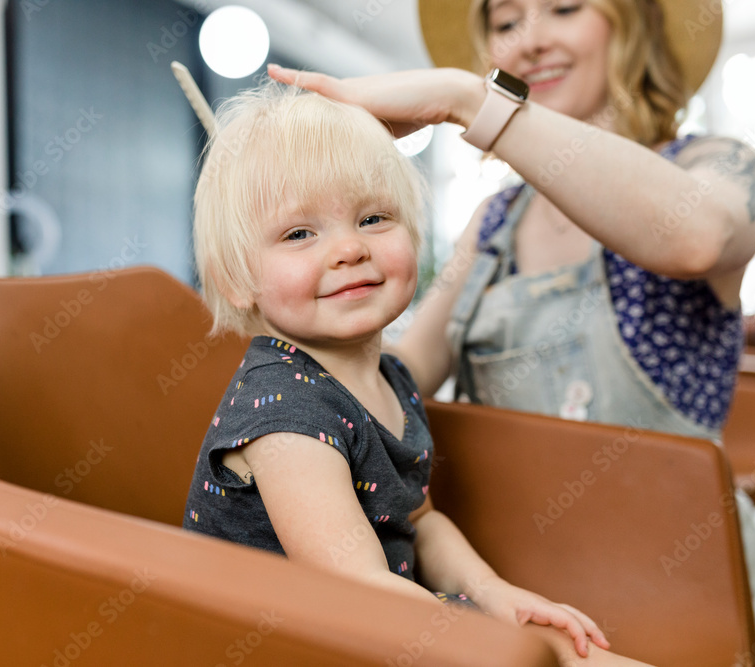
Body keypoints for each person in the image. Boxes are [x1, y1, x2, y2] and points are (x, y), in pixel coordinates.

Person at [268, 0, 755, 665]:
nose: (530, 40)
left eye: (563, 7)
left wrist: (466, 101)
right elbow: (401, 370)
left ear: (629, 24)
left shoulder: (716, 164)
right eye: (506, 21)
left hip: (692, 600)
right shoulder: (495, 221)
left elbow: (695, 238)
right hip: (526, 600)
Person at [181, 81, 651, 664]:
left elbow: (420, 521)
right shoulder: (286, 419)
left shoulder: (390, 380)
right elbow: (355, 591)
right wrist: (500, 641)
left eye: (374, 217)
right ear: (235, 279)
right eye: (299, 233)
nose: (349, 248)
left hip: (386, 624)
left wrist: (493, 594)